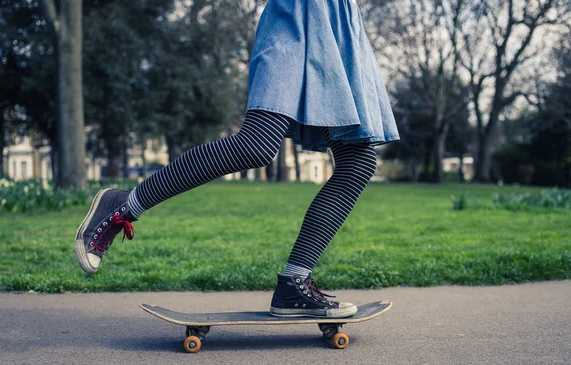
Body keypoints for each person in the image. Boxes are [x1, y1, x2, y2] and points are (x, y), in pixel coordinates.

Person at [75, 0, 399, 319]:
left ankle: (293, 284)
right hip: (295, 20)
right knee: (257, 144)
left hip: (339, 25)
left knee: (358, 163)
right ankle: (122, 205)